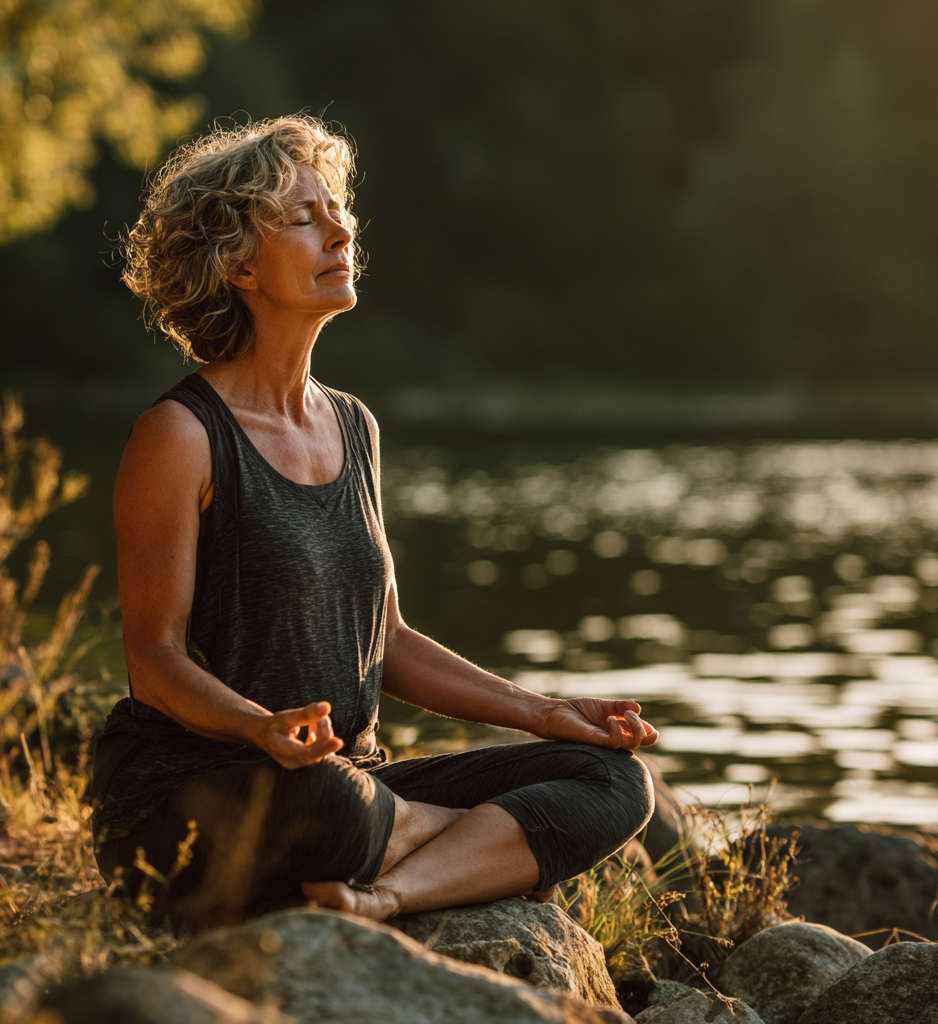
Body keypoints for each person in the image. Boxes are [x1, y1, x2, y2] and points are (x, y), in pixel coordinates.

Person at [91, 115, 657, 925]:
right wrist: (261, 728)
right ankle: (481, 850)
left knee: (611, 778)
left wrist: (543, 711)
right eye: (302, 217)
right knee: (328, 801)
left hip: (356, 784)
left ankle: (387, 893)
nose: (339, 227)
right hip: (194, 793)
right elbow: (153, 658)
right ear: (238, 265)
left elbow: (383, 639)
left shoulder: (355, 426)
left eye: (336, 208)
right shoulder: (180, 437)